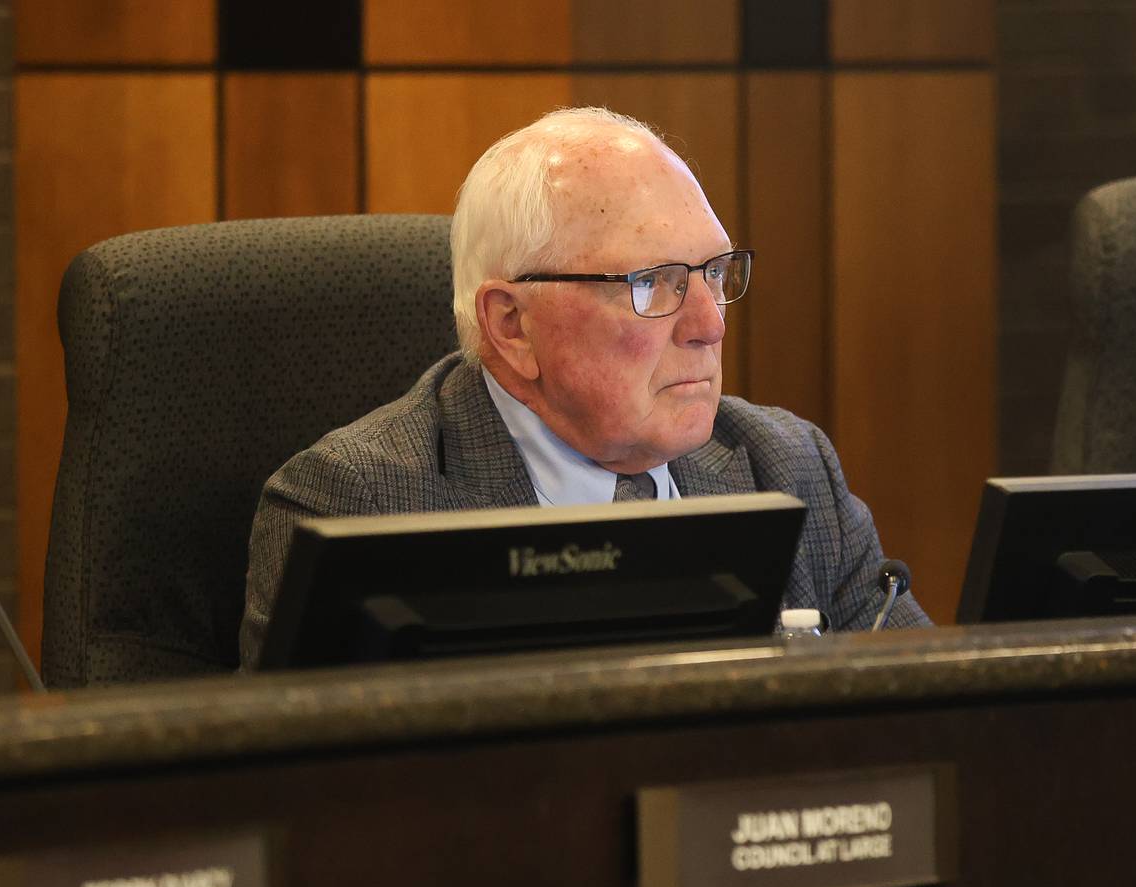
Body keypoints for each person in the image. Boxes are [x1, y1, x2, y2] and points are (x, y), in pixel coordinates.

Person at [238, 107, 928, 668]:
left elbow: (930, 716)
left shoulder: (790, 466)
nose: (709, 324)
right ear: (512, 325)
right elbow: (308, 789)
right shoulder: (357, 508)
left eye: (714, 273)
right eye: (653, 282)